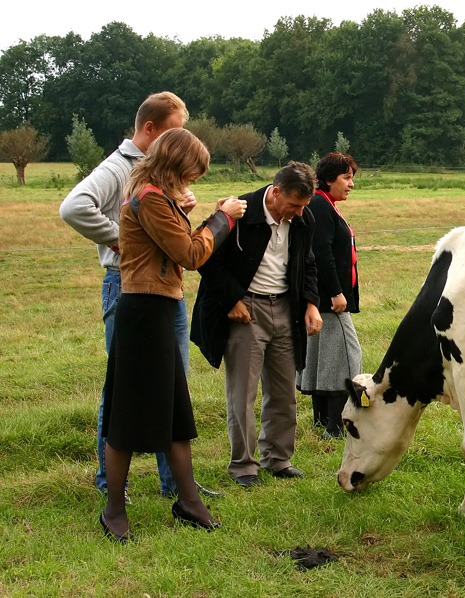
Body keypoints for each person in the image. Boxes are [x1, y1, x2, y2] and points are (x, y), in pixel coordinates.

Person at [59, 91, 221, 501]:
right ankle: (112, 486)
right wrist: (126, 241)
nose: (176, 141)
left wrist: (179, 207)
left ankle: (174, 484)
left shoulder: (157, 176)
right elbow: (74, 207)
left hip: (165, 290)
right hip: (130, 286)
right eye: (173, 132)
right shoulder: (120, 167)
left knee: (172, 390)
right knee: (122, 392)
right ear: (150, 129)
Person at [100, 128, 246, 541]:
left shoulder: (158, 198)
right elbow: (190, 254)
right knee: (127, 411)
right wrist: (222, 219)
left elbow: (179, 244)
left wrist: (205, 217)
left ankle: (188, 502)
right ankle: (114, 511)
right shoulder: (148, 198)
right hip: (143, 311)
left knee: (175, 411)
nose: (193, 179)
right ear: (173, 164)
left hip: (161, 307)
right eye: (190, 171)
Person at [191, 161, 323, 489]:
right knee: (243, 393)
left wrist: (310, 302)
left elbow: (307, 263)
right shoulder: (238, 213)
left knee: (283, 392)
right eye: (293, 205)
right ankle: (243, 466)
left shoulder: (304, 219)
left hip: (286, 309)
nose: (296, 212)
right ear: (275, 192)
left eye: (303, 206)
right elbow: (205, 259)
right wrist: (232, 300)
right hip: (245, 310)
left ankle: (278, 459)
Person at [299, 152, 363, 439]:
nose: (351, 184)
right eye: (346, 178)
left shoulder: (325, 205)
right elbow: (322, 255)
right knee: (346, 358)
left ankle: (321, 422)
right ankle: (335, 428)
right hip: (330, 301)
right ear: (327, 179)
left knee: (322, 357)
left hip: (321, 300)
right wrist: (338, 293)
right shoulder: (321, 207)